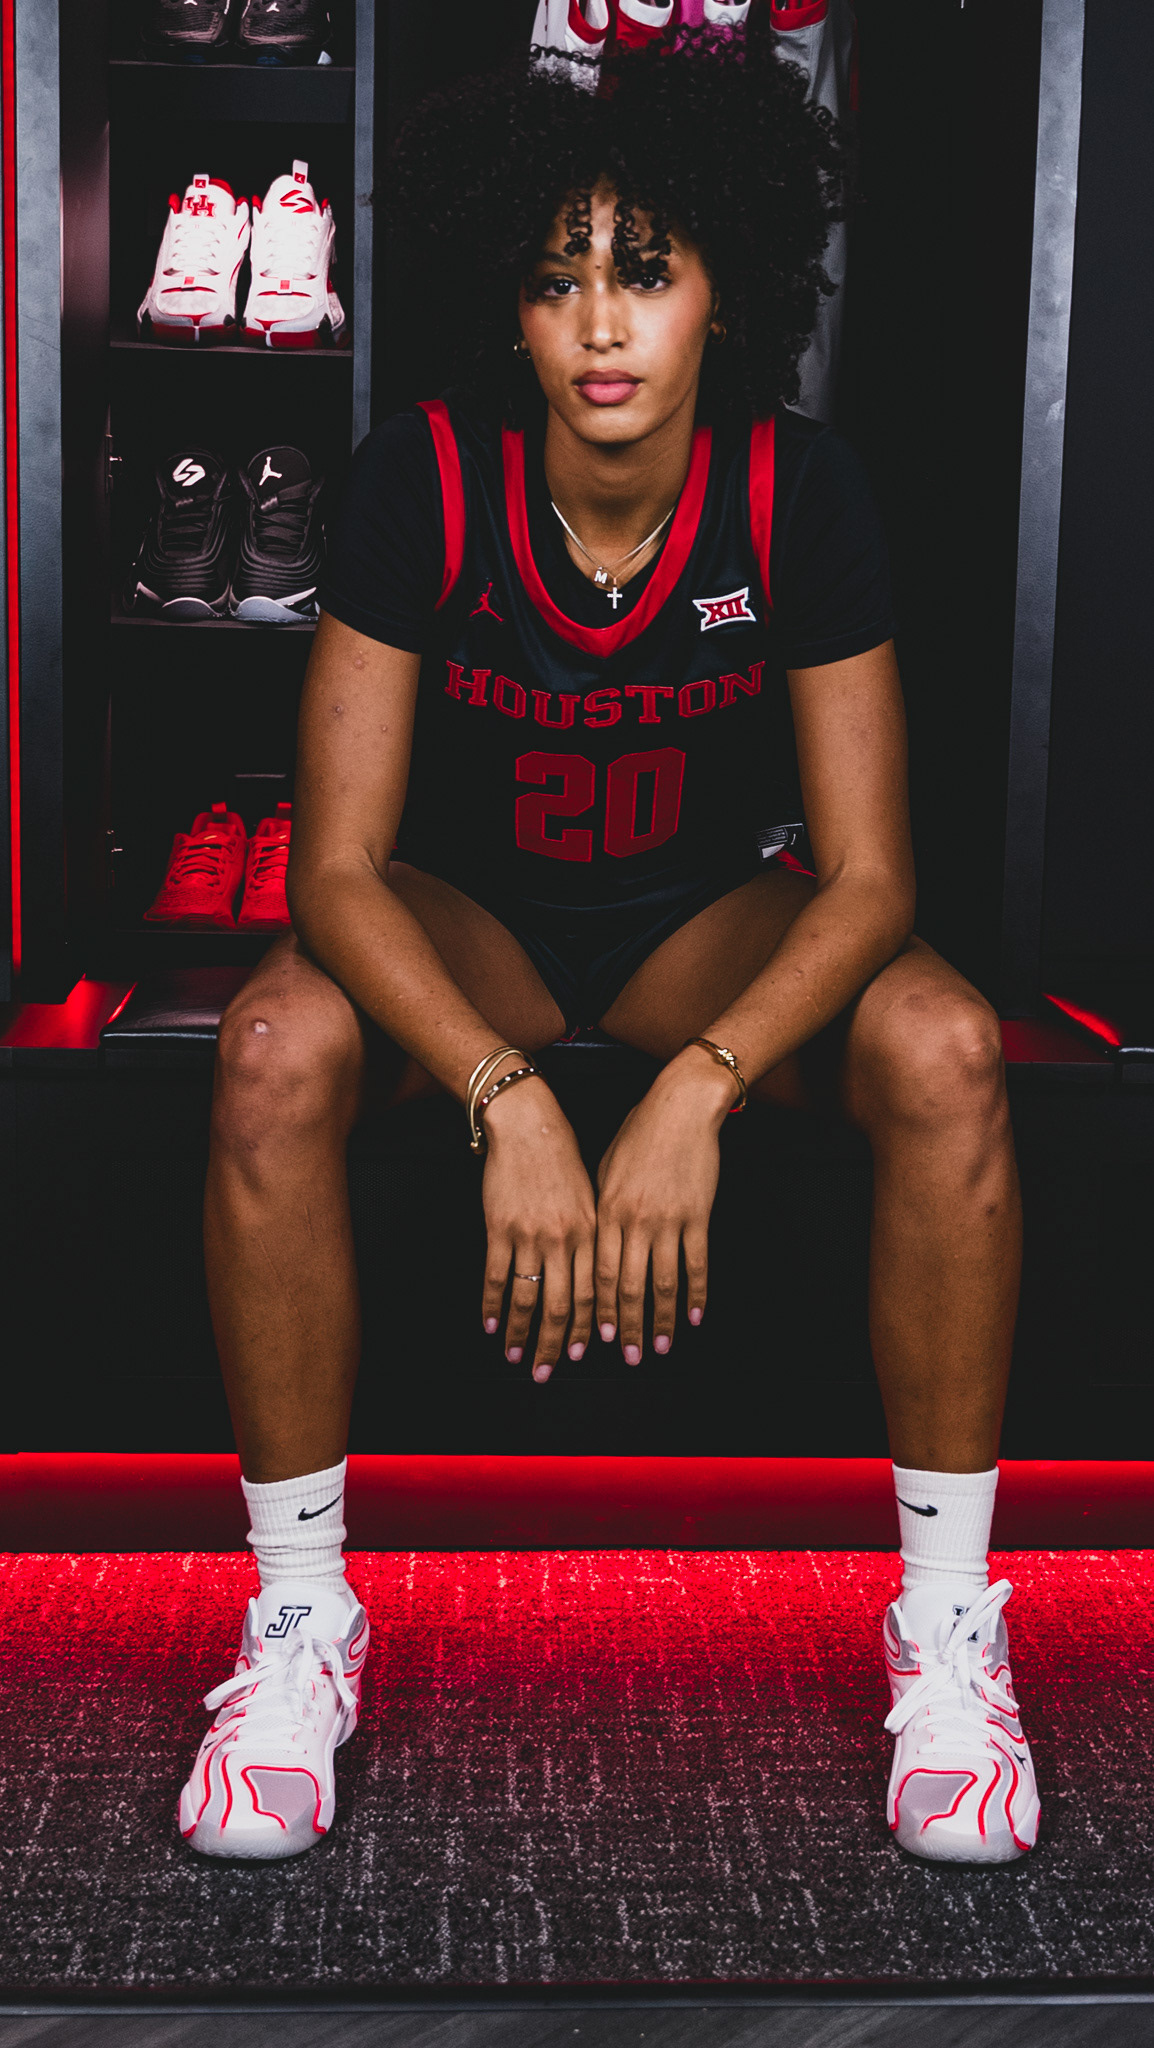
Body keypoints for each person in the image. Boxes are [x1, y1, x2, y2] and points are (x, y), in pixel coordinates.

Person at [179, 19, 1039, 1866]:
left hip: (692, 929)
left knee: (948, 1046)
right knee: (269, 1048)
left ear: (727, 290)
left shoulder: (797, 489)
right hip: (472, 927)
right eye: (557, 276)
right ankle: (299, 1620)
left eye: (645, 271)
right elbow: (337, 868)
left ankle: (948, 1635)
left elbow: (869, 879)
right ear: (508, 308)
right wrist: (506, 1094)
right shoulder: (423, 475)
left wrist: (695, 1091)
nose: (599, 323)